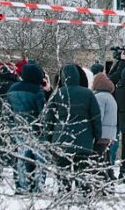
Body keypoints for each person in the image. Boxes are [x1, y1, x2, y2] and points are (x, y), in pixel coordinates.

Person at [43, 64, 102, 193]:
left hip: (62, 139)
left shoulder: (57, 93)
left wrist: (48, 138)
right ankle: (84, 195)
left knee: (64, 176)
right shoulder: (87, 93)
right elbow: (96, 117)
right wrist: (98, 136)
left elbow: (49, 118)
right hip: (84, 139)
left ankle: (65, 195)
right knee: (83, 174)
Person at [7, 62, 46, 195]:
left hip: (18, 127)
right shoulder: (37, 90)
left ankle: (22, 186)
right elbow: (42, 112)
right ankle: (38, 186)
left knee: (22, 157)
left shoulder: (12, 89)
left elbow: (7, 110)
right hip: (35, 128)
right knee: (40, 158)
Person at [92, 71, 118, 189]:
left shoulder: (99, 97)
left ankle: (104, 184)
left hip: (101, 133)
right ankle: (109, 180)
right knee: (105, 158)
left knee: (98, 160)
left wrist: (94, 131)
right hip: (109, 133)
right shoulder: (110, 97)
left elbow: (98, 117)